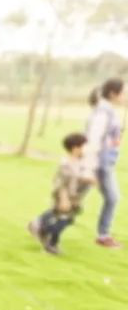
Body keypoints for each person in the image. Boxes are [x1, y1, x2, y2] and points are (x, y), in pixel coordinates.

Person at [29, 133, 91, 256]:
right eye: (84, 146)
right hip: (64, 196)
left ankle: (41, 229)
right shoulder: (66, 164)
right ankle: (49, 240)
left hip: (73, 197)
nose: (86, 149)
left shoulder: (79, 161)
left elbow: (77, 178)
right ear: (75, 148)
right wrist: (64, 199)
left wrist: (86, 181)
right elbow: (60, 183)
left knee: (65, 218)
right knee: (63, 219)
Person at [83, 78, 123, 248]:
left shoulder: (109, 111)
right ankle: (103, 235)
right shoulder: (103, 112)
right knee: (112, 198)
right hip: (99, 163)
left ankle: (40, 224)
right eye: (125, 92)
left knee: (74, 198)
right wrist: (89, 168)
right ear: (114, 94)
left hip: (104, 162)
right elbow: (93, 139)